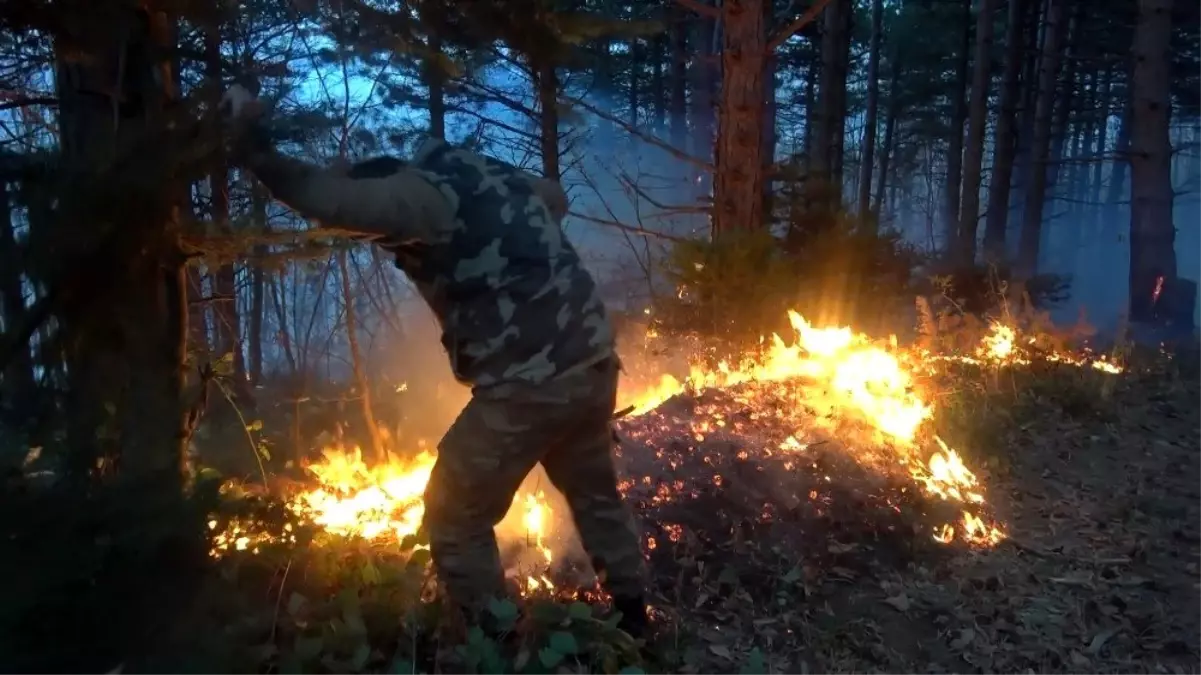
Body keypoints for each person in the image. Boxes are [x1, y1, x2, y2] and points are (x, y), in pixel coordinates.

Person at [219, 86, 649, 637]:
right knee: (594, 495)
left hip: (530, 385)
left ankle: (489, 643)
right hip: (591, 364)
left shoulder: (420, 199)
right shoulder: (486, 175)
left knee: (454, 513)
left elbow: (330, 201)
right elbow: (553, 197)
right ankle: (635, 623)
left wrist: (253, 149)